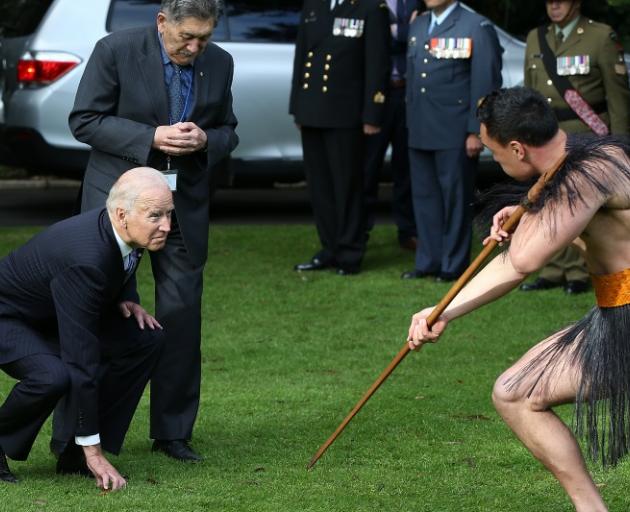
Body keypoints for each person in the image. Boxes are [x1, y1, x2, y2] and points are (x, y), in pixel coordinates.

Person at [408, 87, 630, 511]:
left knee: (515, 393)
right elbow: (580, 224)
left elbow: (521, 263)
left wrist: (442, 312)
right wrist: (525, 212)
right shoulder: (589, 153)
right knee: (514, 391)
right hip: (617, 308)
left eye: (496, 152)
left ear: (518, 148)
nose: (497, 161)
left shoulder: (582, 178)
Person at [69, 0, 238, 461]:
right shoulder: (115, 50)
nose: (196, 46)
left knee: (182, 316)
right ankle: (86, 435)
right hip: (119, 205)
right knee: (105, 310)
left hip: (183, 208)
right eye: (187, 36)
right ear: (162, 22)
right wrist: (149, 137)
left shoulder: (219, 62)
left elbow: (229, 130)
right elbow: (84, 120)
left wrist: (206, 140)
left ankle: (173, 432)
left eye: (204, 38)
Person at [0, 167, 172, 491]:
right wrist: (94, 451)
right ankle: (83, 451)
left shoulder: (120, 229)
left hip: (52, 312)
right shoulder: (86, 260)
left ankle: (71, 453)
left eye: (168, 214)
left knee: (146, 340)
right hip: (8, 317)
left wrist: (125, 296)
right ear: (122, 215)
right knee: (52, 376)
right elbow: (81, 358)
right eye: (155, 216)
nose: (166, 225)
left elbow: (122, 262)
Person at [519, 0, 630, 295]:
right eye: (549, 0)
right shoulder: (536, 37)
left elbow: (617, 97)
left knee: (581, 205)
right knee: (549, 201)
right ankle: (554, 269)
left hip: (588, 135)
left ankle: (580, 271)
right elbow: (530, 94)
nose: (554, 5)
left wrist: (619, 146)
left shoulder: (600, 36)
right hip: (547, 139)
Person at [401, 0, 502, 281]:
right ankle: (428, 261)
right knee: (424, 198)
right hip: (420, 126)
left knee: (456, 199)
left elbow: (485, 80)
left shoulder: (475, 25)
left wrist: (476, 129)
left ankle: (453, 265)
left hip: (455, 130)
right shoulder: (419, 24)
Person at [290, 0, 390, 276]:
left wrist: (373, 113)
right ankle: (329, 248)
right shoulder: (313, 6)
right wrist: (297, 106)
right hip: (312, 110)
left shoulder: (371, 8)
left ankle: (350, 252)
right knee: (320, 187)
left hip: (347, 113)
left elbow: (377, 62)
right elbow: (301, 56)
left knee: (347, 186)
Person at [363, 0, 418, 252]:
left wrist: (399, 34)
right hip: (376, 97)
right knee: (367, 168)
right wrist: (405, 33)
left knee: (405, 169)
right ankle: (360, 230)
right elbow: (379, 42)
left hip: (408, 95)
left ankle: (407, 230)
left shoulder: (419, 3)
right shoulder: (370, 3)